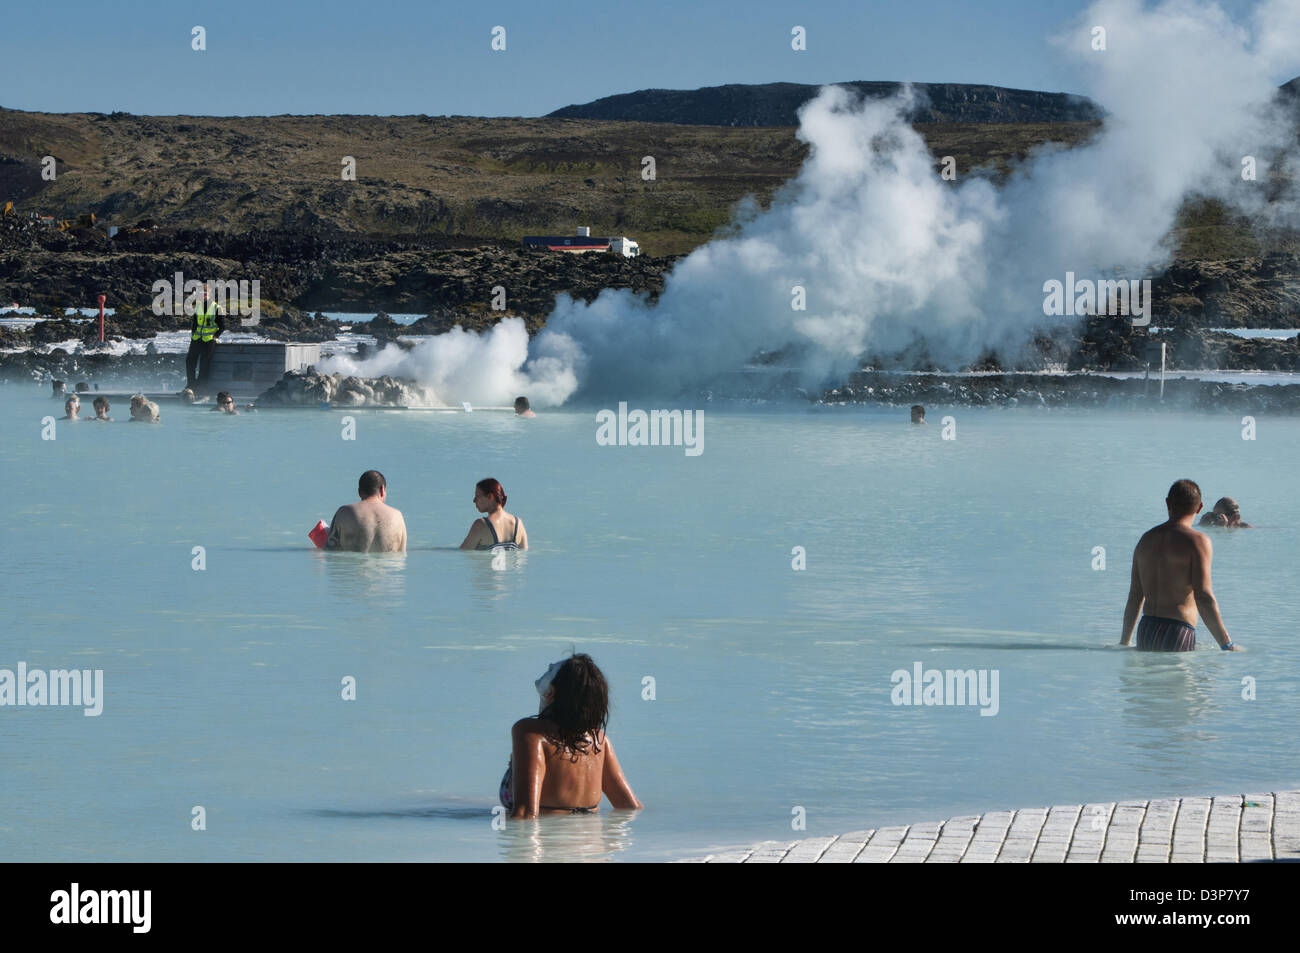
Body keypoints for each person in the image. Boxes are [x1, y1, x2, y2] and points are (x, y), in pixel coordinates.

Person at [500, 655, 642, 818]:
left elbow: (525, 814)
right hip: (592, 840)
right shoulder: (599, 741)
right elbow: (630, 807)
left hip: (551, 840)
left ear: (551, 692)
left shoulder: (531, 734)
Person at [1121, 479, 1239, 652]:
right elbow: (1204, 596)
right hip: (1178, 630)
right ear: (1199, 508)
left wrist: (1124, 642)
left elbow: (1135, 596)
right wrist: (1227, 644)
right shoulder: (1197, 542)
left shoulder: (1146, 540)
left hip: (1146, 630)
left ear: (1167, 503)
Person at [325, 470, 407, 553]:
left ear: (359, 492)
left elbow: (330, 550)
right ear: (382, 490)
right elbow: (402, 554)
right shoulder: (397, 516)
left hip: (353, 565)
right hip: (386, 565)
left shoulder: (344, 513)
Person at [459, 478, 527, 551]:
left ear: (490, 497)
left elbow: (462, 553)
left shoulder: (481, 525)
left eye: (477, 496)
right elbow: (523, 557)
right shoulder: (518, 523)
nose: (474, 500)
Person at [184, 284, 225, 393]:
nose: (203, 295)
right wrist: (193, 335)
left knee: (204, 364)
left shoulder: (217, 308)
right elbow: (195, 323)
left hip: (208, 341)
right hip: (197, 339)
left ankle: (201, 388)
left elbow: (222, 327)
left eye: (205, 293)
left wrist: (214, 337)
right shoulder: (198, 306)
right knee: (190, 361)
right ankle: (191, 385)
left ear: (210, 294)